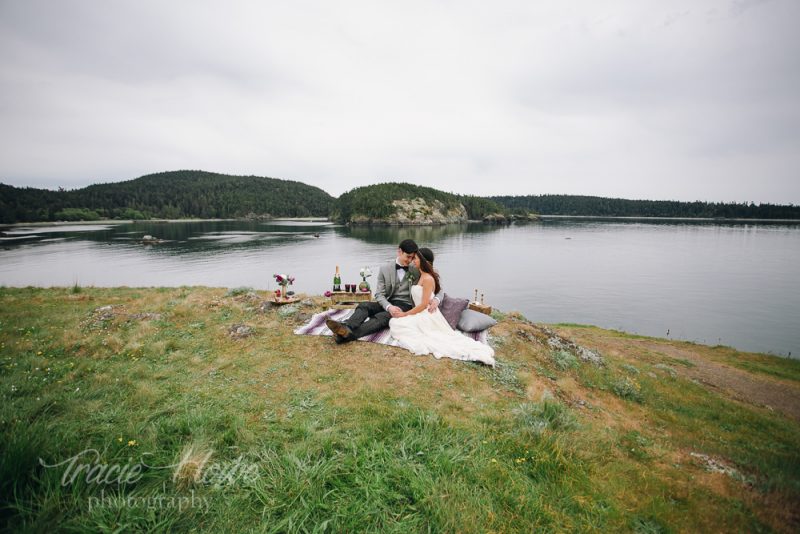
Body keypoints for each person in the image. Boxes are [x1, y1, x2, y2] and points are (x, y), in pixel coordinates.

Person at [388, 248, 495, 366]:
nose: (413, 260)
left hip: (426, 314)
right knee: (396, 323)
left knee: (398, 324)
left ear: (424, 261)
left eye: (416, 258)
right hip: (420, 312)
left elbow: (424, 304)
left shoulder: (428, 278)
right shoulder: (420, 274)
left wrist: (405, 314)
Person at [326, 239, 440, 344]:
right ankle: (347, 327)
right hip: (389, 302)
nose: (410, 260)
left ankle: (347, 335)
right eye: (408, 257)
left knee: (382, 317)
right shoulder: (384, 268)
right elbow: (379, 294)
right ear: (399, 252)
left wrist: (436, 299)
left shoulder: (416, 267)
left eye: (413, 257)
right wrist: (389, 307)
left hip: (406, 305)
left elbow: (436, 284)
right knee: (364, 305)